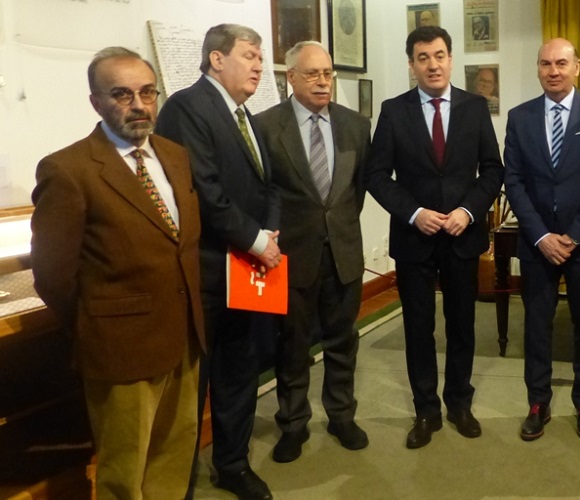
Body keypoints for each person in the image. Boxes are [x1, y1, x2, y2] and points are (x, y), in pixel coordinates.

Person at [30, 46, 205, 498]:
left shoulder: (174, 156)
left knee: (173, 455)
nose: (139, 105)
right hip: (120, 348)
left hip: (183, 337)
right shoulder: (68, 170)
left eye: (147, 92)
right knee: (124, 472)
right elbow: (52, 275)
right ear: (96, 102)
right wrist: (98, 324)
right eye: (122, 94)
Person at [156, 24, 281, 500]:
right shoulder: (187, 107)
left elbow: (269, 186)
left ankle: (232, 464)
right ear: (216, 59)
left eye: (260, 58)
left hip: (246, 269)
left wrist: (269, 234)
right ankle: (179, 482)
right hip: (204, 272)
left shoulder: (247, 117)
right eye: (250, 55)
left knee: (239, 372)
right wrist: (257, 240)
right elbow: (203, 190)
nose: (258, 66)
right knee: (194, 384)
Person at [365, 26, 503, 449]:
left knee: (462, 325)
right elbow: (376, 175)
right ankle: (426, 410)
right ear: (412, 64)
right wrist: (414, 213)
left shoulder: (475, 107)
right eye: (423, 57)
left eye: (439, 55)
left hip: (462, 236)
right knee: (418, 328)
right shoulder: (394, 111)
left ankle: (459, 403)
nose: (433, 64)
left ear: (451, 58)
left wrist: (468, 211)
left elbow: (492, 170)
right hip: (415, 238)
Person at [255, 41, 370, 463]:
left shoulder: (356, 125)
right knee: (293, 344)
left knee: (343, 340)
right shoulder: (267, 127)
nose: (323, 82)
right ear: (291, 78)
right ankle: (293, 423)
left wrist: (334, 227)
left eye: (327, 73)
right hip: (291, 255)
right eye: (312, 74)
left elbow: (355, 191)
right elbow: (264, 192)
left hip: (343, 251)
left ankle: (341, 416)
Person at [503, 38, 580, 442]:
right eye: (545, 63)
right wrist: (541, 235)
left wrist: (573, 235)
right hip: (538, 244)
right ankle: (538, 403)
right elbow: (513, 180)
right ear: (538, 68)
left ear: (577, 67)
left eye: (561, 63)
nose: (553, 71)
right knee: (537, 326)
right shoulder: (520, 117)